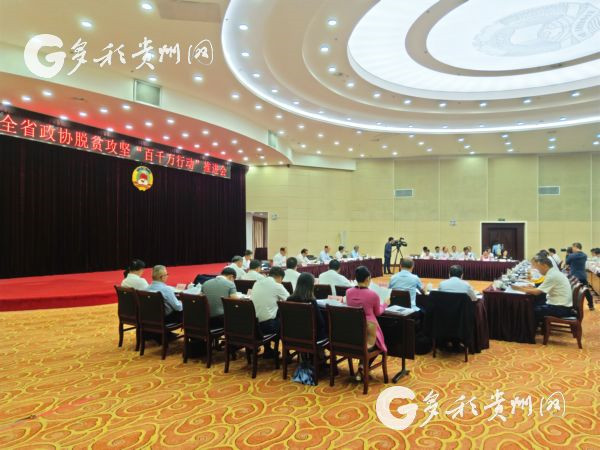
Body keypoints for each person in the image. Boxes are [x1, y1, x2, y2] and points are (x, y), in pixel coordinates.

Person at [346, 266, 388, 381]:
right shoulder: (373, 295)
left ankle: (362, 366)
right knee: (378, 344)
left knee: (365, 341)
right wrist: (385, 304)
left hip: (352, 332)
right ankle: (363, 366)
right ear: (368, 278)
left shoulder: (348, 292)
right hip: (369, 330)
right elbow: (378, 312)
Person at [511, 255, 574, 323]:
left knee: (529, 309)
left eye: (538, 268)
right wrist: (529, 288)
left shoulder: (552, 275)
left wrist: (518, 289)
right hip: (562, 304)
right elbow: (540, 288)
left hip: (561, 308)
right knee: (534, 302)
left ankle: (530, 328)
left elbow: (537, 292)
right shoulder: (553, 272)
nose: (537, 270)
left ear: (545, 265)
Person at [250, 266, 289, 357]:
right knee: (286, 323)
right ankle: (286, 355)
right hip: (267, 326)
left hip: (253, 325)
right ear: (280, 277)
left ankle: (268, 350)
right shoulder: (277, 285)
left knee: (270, 313)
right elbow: (289, 300)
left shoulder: (257, 283)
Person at [287, 273, 327, 341]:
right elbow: (321, 323)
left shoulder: (289, 299)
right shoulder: (311, 301)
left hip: (292, 336)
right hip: (311, 338)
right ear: (311, 286)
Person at [566, 243, 593, 310]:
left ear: (575, 247)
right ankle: (591, 305)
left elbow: (567, 262)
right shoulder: (585, 255)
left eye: (572, 247)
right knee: (586, 291)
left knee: (572, 292)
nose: (572, 249)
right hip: (583, 275)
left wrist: (567, 254)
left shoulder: (571, 256)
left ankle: (572, 306)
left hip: (574, 277)